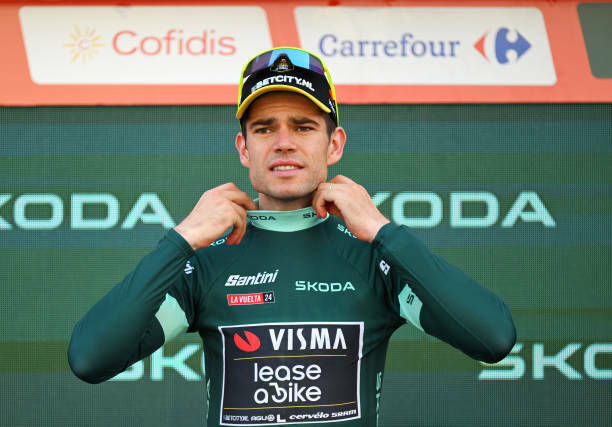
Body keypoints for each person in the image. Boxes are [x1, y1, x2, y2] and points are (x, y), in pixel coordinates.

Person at [68, 47, 516, 426]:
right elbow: (90, 359)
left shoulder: (375, 258)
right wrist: (181, 239)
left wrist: (384, 231)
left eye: (303, 126)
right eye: (264, 129)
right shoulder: (207, 263)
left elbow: (492, 338)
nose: (283, 142)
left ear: (334, 144)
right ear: (244, 149)